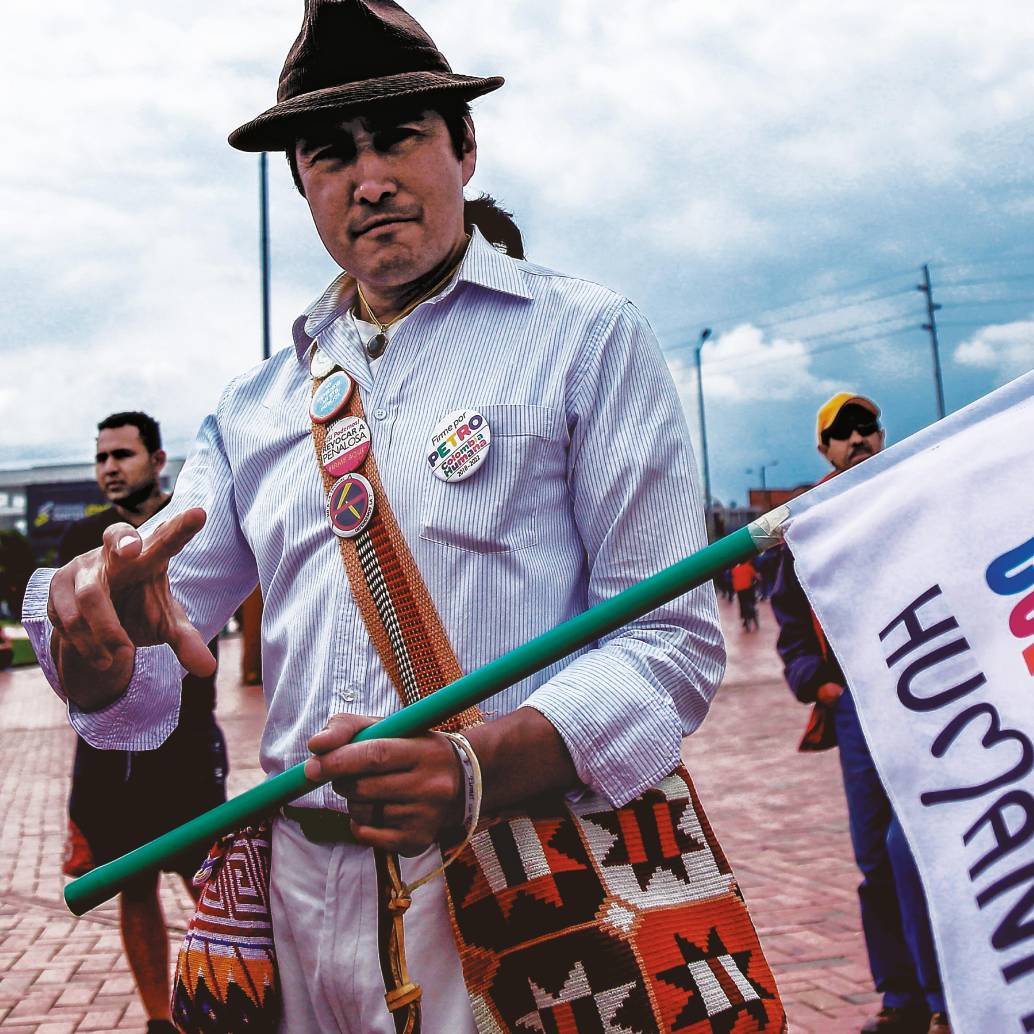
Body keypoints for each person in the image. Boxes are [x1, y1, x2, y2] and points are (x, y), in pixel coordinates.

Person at [23, 3, 742, 1031]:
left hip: (525, 872)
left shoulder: (584, 337)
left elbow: (667, 640)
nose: (367, 179)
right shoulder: (255, 407)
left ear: (464, 146)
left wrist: (476, 765)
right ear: (302, 184)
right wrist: (90, 636)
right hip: (301, 893)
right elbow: (144, 670)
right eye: (328, 153)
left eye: (399, 135)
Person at [771, 393, 950, 1034]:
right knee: (875, 855)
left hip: (926, 694)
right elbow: (790, 623)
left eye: (866, 426)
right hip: (854, 707)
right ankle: (900, 999)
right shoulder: (805, 522)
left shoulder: (911, 496)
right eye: (841, 432)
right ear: (823, 448)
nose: (857, 439)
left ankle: (944, 996)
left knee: (921, 844)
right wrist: (815, 685)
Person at [58, 412, 227, 1034]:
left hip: (184, 739)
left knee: (208, 877)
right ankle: (159, 1020)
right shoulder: (80, 535)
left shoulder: (193, 521)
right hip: (106, 752)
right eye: (101, 457)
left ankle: (240, 1002)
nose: (109, 468)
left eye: (123, 455)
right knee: (130, 882)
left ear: (157, 461)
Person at [730, 558, 759, 630]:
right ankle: (753, 614)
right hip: (748, 588)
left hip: (739, 590)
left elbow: (732, 576)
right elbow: (757, 576)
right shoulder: (748, 566)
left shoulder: (734, 569)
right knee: (752, 601)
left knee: (742, 604)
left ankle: (745, 619)